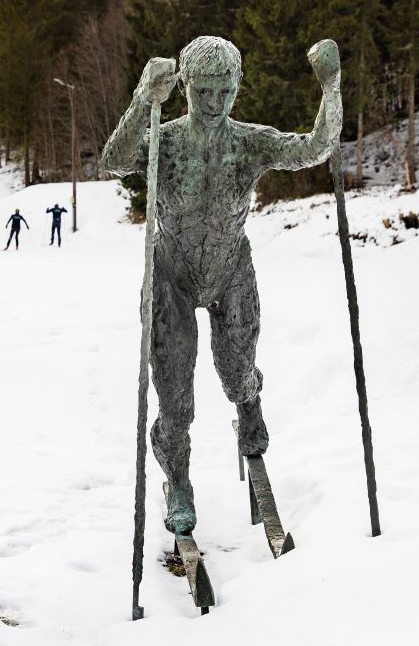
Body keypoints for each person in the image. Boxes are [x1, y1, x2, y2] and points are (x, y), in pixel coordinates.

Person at [101, 36, 342, 535]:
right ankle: (179, 481)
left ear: (238, 87)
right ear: (185, 87)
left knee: (236, 371)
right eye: (204, 92)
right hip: (171, 277)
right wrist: (143, 98)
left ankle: (249, 405)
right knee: (175, 398)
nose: (215, 103)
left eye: (226, 92)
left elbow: (315, 149)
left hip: (230, 270)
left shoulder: (248, 141)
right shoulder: (165, 140)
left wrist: (331, 87)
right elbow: (115, 160)